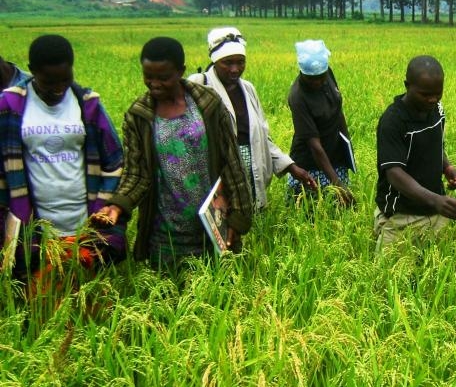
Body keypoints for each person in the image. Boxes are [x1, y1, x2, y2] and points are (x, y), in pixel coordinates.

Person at [94, 37, 253, 268]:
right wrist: (118, 205)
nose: (154, 83)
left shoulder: (207, 103)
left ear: (181, 71)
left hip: (212, 226)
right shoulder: (139, 116)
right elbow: (137, 173)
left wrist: (238, 218)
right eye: (148, 76)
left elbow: (231, 162)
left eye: (163, 77)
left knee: (218, 295)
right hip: (165, 234)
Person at [0, 35, 126, 290]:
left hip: (83, 221)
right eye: (49, 81)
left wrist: (104, 206)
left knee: (86, 303)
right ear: (32, 71)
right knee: (41, 305)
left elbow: (113, 160)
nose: (58, 88)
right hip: (36, 227)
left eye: (65, 79)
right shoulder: (10, 105)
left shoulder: (87, 104)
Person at [188, 27, 316, 210]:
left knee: (251, 220)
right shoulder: (200, 86)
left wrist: (291, 167)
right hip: (217, 176)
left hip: (251, 169)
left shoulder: (248, 89)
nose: (235, 69)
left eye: (240, 62)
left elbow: (264, 137)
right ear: (214, 61)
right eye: (227, 63)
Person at [374, 55, 456, 251]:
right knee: (389, 278)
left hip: (435, 213)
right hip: (400, 215)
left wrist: (447, 167)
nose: (432, 99)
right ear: (407, 85)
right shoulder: (393, 121)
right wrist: (436, 200)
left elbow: (436, 144)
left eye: (437, 93)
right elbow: (394, 173)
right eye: (425, 94)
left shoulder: (437, 110)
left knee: (438, 273)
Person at [287, 39, 355, 205]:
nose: (317, 82)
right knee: (314, 211)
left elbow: (338, 110)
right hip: (312, 163)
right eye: (311, 78)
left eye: (321, 77)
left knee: (340, 211)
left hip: (335, 154)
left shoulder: (328, 74)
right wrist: (337, 184)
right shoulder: (298, 98)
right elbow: (314, 146)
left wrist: (348, 146)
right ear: (302, 71)